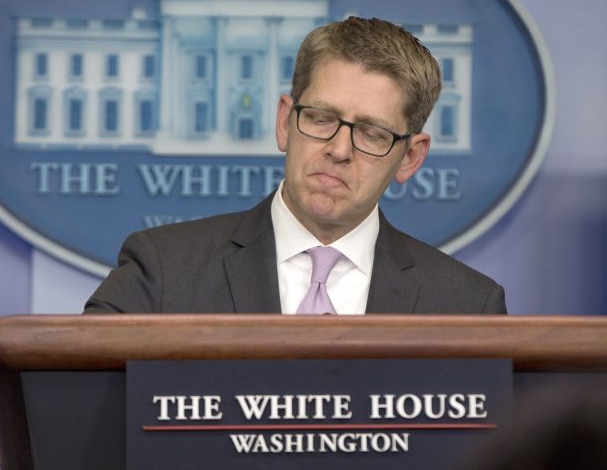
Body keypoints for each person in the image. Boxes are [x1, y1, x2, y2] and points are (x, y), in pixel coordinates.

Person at [84, 16, 506, 314]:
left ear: (410, 157)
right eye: (321, 119)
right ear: (285, 122)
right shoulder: (161, 272)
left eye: (371, 133)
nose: (339, 149)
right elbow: (78, 421)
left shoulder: (466, 306)